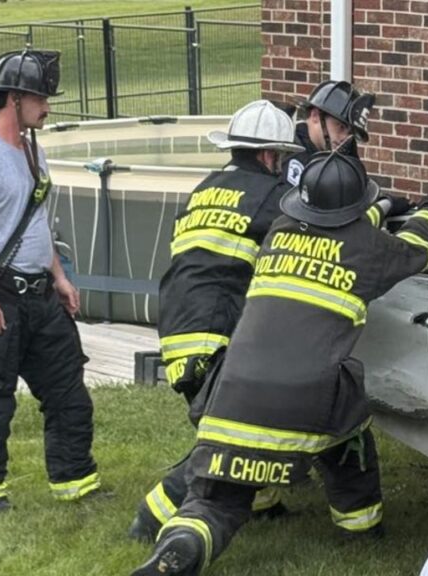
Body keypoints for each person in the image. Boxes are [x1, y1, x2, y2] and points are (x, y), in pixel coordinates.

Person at [131, 151, 428, 576]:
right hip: (306, 397)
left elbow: (337, 227)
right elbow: (417, 247)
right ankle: (361, 531)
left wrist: (381, 208)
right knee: (350, 435)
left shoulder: (279, 233)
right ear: (356, 209)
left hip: (232, 393)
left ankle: (183, 542)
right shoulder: (366, 248)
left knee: (217, 498)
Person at [129, 99, 303, 540]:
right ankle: (151, 517)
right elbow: (308, 232)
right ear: (269, 155)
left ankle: (262, 504)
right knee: (230, 440)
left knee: (250, 424)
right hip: (214, 336)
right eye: (281, 158)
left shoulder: (206, 188)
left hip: (177, 329)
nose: (282, 166)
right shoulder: (271, 196)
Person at [0, 49, 99, 512]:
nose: (47, 107)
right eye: (39, 98)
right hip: (1, 298)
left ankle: (75, 482)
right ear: (13, 99)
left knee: (69, 393)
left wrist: (59, 277)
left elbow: (36, 223)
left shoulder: (35, 151)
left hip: (41, 297)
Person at [283, 80, 374, 187]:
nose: (345, 137)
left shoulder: (345, 152)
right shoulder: (292, 156)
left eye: (350, 132)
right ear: (315, 116)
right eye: (340, 126)